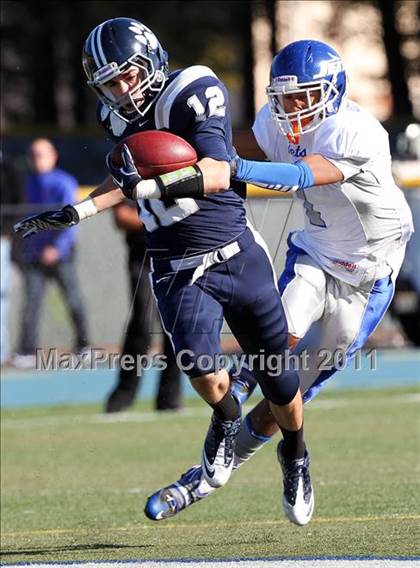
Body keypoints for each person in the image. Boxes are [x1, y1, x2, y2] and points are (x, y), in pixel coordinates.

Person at [14, 18, 313, 525]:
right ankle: (224, 419)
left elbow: (217, 173)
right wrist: (79, 211)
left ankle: (296, 453)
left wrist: (146, 188)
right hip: (175, 264)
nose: (121, 90)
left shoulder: (192, 89)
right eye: (109, 83)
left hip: (235, 251)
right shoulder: (114, 117)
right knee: (200, 368)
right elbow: (126, 174)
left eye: (127, 76)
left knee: (279, 380)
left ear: (150, 59)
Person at [142, 39, 414, 523]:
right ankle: (205, 470)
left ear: (331, 92)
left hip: (369, 276)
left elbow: (300, 174)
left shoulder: (356, 130)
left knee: (286, 402)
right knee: (275, 352)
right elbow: (226, 147)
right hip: (316, 253)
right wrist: (192, 150)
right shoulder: (272, 122)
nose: (290, 108)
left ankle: (289, 457)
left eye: (302, 97)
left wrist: (232, 169)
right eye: (283, 97)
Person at [11, 138, 91, 369]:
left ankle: (83, 346)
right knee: (31, 302)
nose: (37, 160)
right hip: (33, 255)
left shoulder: (64, 182)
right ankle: (27, 351)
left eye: (41, 155)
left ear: (53, 156)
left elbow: (71, 220)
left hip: (61, 253)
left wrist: (57, 247)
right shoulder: (26, 183)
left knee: (73, 299)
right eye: (33, 155)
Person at [105, 199, 183, 413]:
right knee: (142, 324)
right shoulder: (130, 168)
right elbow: (121, 216)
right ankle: (123, 395)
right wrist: (161, 219)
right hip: (143, 257)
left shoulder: (180, 169)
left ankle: (169, 399)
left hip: (176, 255)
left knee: (176, 327)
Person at [0, 152, 23, 365]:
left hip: (1, 240)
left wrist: (6, 232)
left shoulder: (9, 167)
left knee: (1, 295)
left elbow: (17, 202)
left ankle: (2, 349)